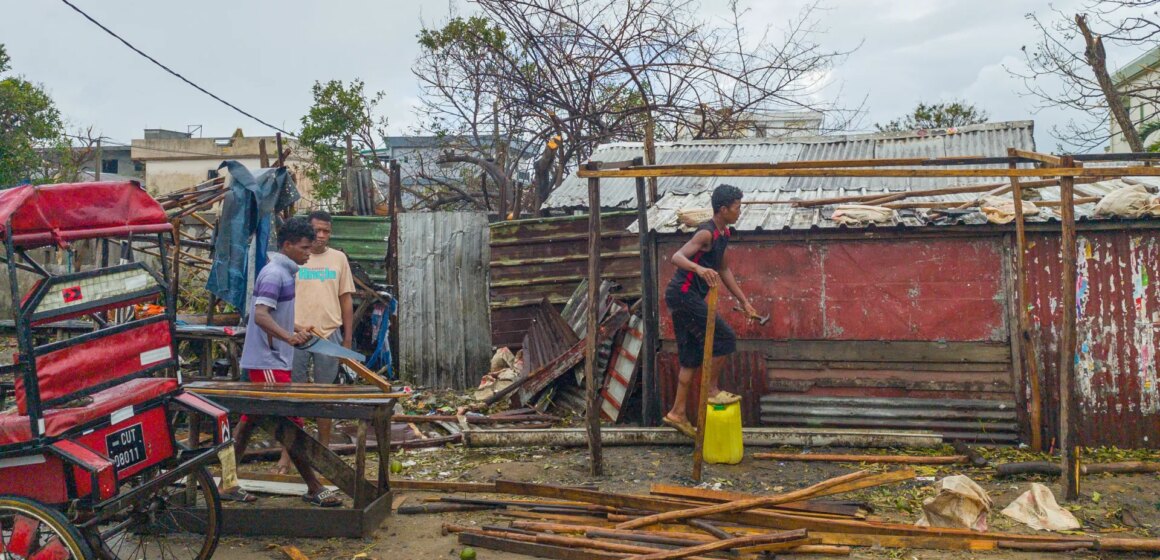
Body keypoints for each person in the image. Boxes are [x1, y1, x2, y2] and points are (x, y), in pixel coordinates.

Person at [220, 216, 343, 507]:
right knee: (293, 423)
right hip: (268, 361)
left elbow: (272, 314)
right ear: (286, 245)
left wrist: (295, 327)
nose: (308, 252)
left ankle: (227, 484)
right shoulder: (275, 273)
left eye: (310, 247)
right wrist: (288, 337)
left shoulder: (286, 271)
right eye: (303, 247)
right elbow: (260, 315)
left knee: (249, 422)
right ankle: (314, 487)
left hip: (272, 358)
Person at [661, 184, 758, 438]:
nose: (739, 211)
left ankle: (677, 412)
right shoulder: (706, 233)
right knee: (725, 338)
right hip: (682, 294)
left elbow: (724, 269)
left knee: (691, 356)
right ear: (723, 209)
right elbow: (677, 257)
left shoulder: (723, 234)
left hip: (686, 297)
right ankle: (712, 389)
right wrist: (699, 269)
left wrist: (745, 302)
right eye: (736, 207)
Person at [272, 210, 356, 475]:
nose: (321, 236)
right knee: (292, 397)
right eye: (317, 230)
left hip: (328, 334)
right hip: (294, 335)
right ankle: (286, 456)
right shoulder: (295, 258)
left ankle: (323, 453)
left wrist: (347, 339)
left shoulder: (339, 259)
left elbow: (346, 300)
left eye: (326, 231)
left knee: (325, 397)